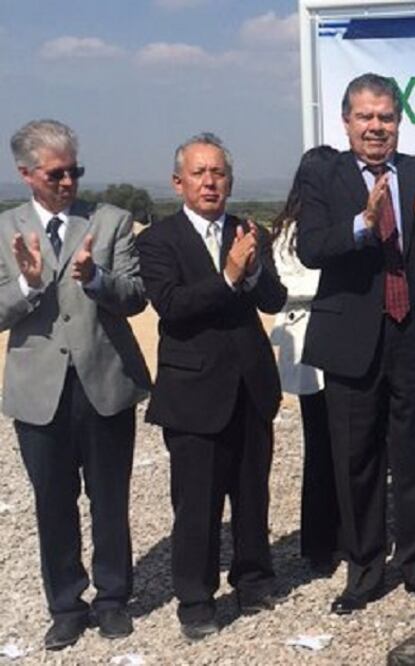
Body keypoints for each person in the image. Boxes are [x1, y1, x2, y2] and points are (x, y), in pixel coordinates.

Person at [297, 72, 415, 614]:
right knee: (356, 460)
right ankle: (365, 570)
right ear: (346, 121)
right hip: (352, 339)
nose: (376, 127)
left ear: (399, 121)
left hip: (414, 338)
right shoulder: (322, 174)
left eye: (386, 117)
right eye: (365, 116)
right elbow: (310, 248)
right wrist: (361, 224)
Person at [0, 119, 151, 649]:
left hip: (103, 381)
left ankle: (113, 599)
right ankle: (65, 604)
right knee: (53, 502)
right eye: (56, 174)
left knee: (109, 499)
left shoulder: (110, 221)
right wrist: (28, 285)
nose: (68, 182)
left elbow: (136, 297)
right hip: (38, 390)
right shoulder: (5, 229)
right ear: (26, 174)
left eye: (74, 171)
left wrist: (97, 280)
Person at [136, 132, 287, 640]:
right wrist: (228, 276)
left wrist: (254, 270)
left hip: (250, 385)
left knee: (252, 494)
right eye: (199, 173)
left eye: (218, 173)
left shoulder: (248, 231)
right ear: (178, 182)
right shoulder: (158, 240)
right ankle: (196, 600)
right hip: (194, 393)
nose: (209, 182)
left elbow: (273, 300)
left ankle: (254, 580)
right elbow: (172, 306)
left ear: (230, 181)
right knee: (197, 505)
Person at [268, 145, 341, 573]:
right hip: (310, 346)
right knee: (321, 447)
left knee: (345, 445)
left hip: (338, 342)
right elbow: (288, 284)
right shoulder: (289, 231)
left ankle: (341, 533)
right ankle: (319, 542)